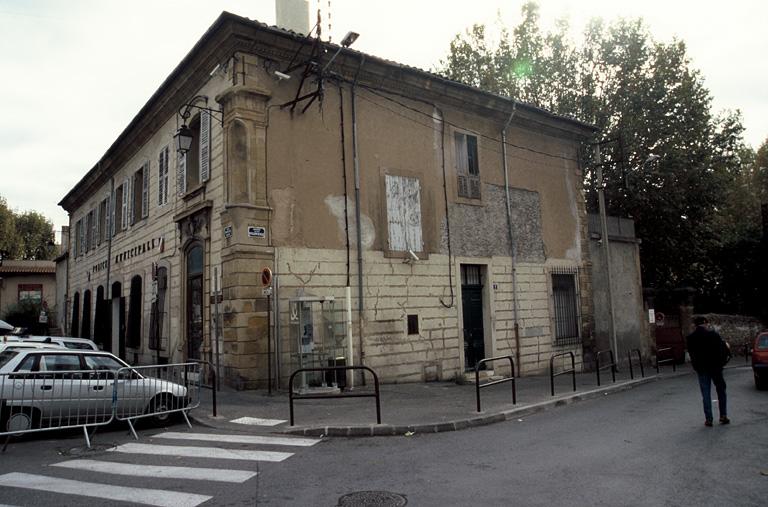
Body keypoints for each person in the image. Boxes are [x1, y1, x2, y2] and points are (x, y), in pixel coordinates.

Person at [685, 316, 730, 427]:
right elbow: (722, 351)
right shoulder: (714, 335)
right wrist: (721, 364)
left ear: (695, 325)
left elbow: (691, 354)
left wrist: (696, 367)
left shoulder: (691, 338)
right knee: (721, 391)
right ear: (706, 323)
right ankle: (723, 415)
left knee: (706, 393)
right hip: (716, 367)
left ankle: (709, 419)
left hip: (702, 368)